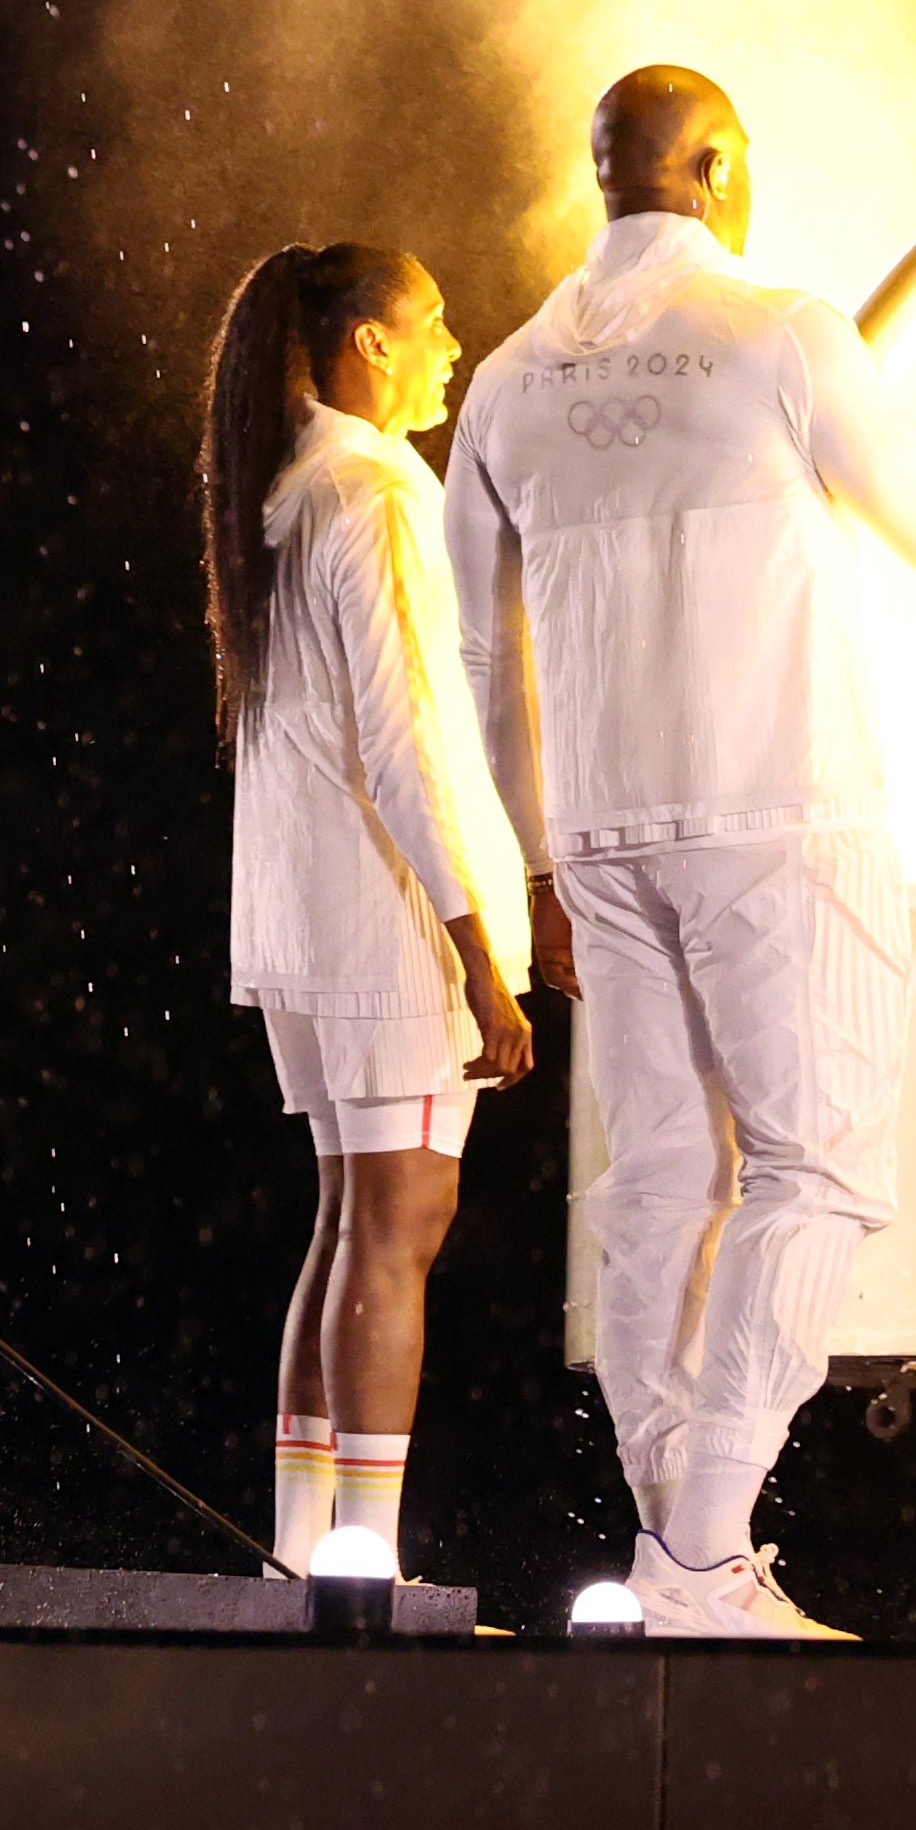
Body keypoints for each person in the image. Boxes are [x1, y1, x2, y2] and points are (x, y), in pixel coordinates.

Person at [449, 66, 916, 1640]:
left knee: (667, 1176)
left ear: (605, 177)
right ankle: (701, 1545)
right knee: (817, 1171)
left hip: (600, 836)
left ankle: (686, 1550)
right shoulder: (785, 334)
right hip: (785, 818)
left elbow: (478, 655)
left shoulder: (514, 384)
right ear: (718, 165)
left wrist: (529, 874)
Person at [203, 239, 535, 1586]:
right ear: (370, 344)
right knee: (394, 1237)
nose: (456, 345)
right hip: (385, 927)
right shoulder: (373, 493)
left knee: (348, 1223)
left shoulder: (280, 493)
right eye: (436, 320)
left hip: (301, 923)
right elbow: (405, 746)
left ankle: (306, 1556)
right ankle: (366, 1568)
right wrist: (480, 957)